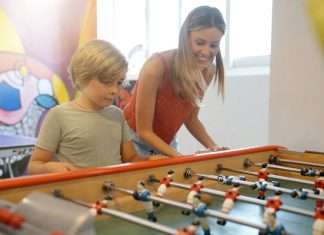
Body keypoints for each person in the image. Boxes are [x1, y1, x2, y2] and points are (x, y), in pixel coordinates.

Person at [28, 40, 160, 175]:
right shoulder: (59, 115)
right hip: (76, 193)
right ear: (83, 77)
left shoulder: (117, 115)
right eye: (107, 82)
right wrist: (50, 168)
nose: (115, 90)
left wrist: (149, 160)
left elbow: (131, 158)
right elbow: (34, 165)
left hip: (113, 192)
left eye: (119, 82)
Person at [123, 6, 227, 157]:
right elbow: (144, 131)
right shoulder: (156, 66)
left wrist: (214, 147)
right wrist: (180, 158)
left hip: (165, 142)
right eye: (200, 43)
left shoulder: (208, 71)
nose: (206, 52)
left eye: (213, 45)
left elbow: (191, 119)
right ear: (186, 37)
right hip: (133, 142)